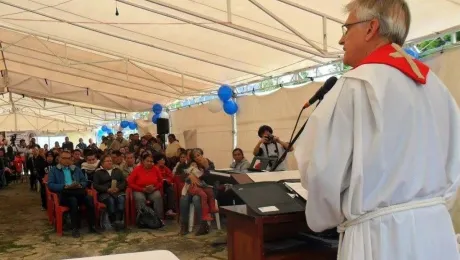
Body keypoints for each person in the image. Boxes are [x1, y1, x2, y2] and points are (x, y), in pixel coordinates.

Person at [294, 1, 460, 259]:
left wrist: (326, 215)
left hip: (379, 238)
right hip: (435, 233)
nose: (341, 39)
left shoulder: (354, 85)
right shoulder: (437, 88)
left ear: (371, 28)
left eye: (346, 28)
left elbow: (321, 173)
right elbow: (453, 167)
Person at [47, 151, 99, 238]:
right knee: (73, 200)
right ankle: (75, 228)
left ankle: (92, 226)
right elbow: (50, 184)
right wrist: (64, 186)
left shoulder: (76, 169)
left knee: (89, 199)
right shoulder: (54, 170)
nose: (67, 160)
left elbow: (84, 181)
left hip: (77, 192)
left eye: (69, 158)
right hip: (64, 194)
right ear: (59, 159)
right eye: (64, 158)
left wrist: (80, 185)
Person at [93, 155, 127, 230]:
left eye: (110, 161)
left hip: (117, 191)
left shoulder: (117, 171)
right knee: (110, 201)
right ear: (102, 163)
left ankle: (119, 221)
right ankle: (113, 221)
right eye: (107, 161)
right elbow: (95, 185)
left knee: (121, 200)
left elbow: (124, 182)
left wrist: (118, 188)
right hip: (104, 193)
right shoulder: (98, 173)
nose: (109, 162)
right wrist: (106, 189)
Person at [127, 153, 164, 218]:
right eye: (147, 161)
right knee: (140, 198)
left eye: (151, 161)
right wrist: (142, 189)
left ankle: (158, 218)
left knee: (157, 196)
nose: (149, 163)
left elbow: (161, 181)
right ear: (143, 161)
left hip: (153, 190)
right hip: (139, 190)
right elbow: (130, 183)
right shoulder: (137, 169)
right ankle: (143, 219)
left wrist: (155, 188)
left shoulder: (156, 169)